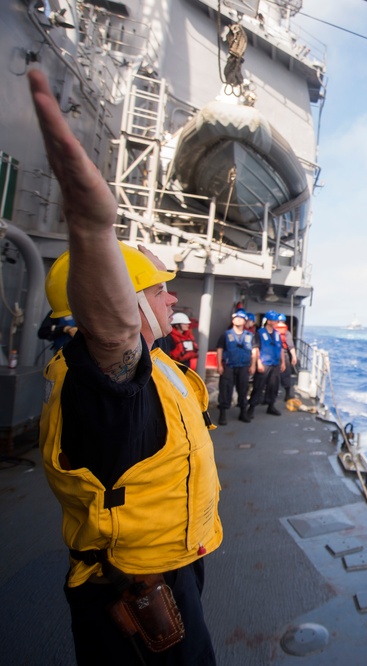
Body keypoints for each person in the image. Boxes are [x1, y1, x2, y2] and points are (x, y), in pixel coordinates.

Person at [30, 68, 223, 664]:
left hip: (174, 565)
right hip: (138, 590)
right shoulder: (102, 383)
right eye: (159, 291)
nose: (172, 300)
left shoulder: (156, 369)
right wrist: (94, 232)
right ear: (125, 305)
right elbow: (113, 344)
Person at [215, 309, 254, 425]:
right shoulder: (226, 335)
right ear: (232, 320)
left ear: (245, 321)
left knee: (243, 390)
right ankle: (222, 414)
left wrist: (253, 365)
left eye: (241, 318)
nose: (238, 319)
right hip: (229, 366)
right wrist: (219, 365)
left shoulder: (250, 335)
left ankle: (243, 413)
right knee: (225, 390)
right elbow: (219, 349)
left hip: (244, 367)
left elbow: (255, 351)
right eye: (236, 317)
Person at [248, 309, 285, 417]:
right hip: (264, 363)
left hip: (275, 363)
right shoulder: (259, 333)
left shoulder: (277, 334)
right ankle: (251, 407)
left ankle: (271, 406)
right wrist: (258, 363)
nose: (276, 322)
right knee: (258, 386)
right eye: (274, 320)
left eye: (276, 321)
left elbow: (281, 348)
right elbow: (256, 349)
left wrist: (283, 363)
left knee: (273, 386)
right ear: (268, 321)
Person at [274, 313, 297, 402]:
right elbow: (290, 346)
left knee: (273, 375)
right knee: (286, 374)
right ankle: (287, 395)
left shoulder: (273, 330)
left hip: (273, 354)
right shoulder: (287, 332)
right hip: (284, 353)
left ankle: (271, 396)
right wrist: (294, 357)